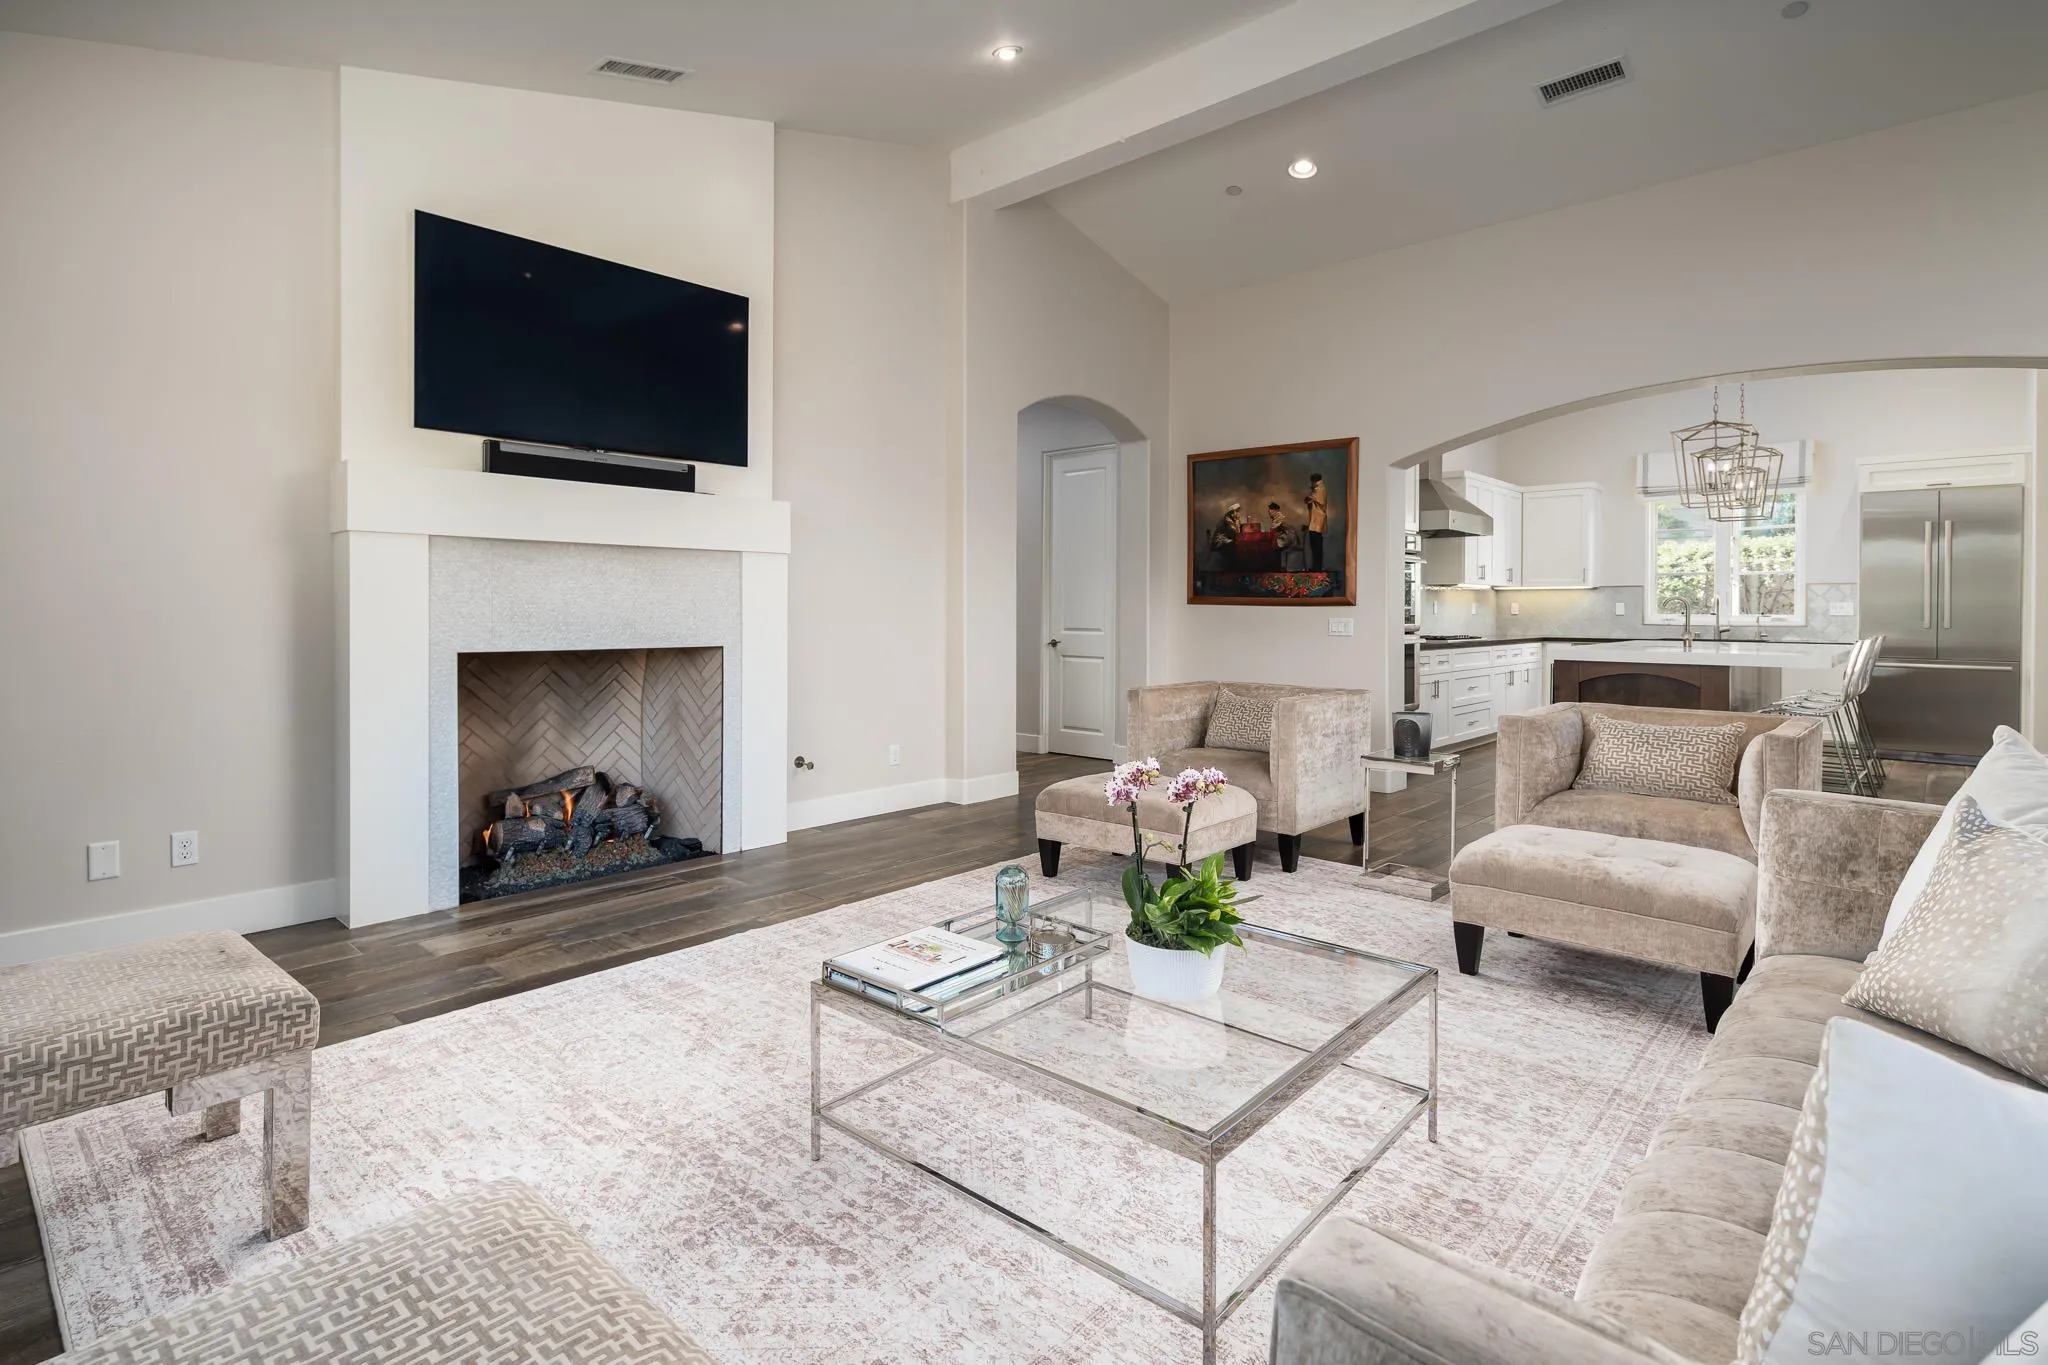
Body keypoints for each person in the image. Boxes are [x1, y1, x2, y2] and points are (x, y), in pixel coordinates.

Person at [1303, 473, 1329, 571]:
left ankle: (1317, 566)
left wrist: (1310, 498)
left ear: (1314, 481)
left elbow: (1320, 500)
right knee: (1314, 545)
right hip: (1315, 521)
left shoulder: (1320, 488)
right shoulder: (1317, 489)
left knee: (1316, 545)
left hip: (1318, 521)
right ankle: (1316, 566)